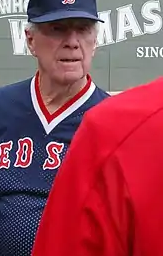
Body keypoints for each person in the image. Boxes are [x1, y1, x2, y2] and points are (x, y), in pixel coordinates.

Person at [0, 0, 109, 256]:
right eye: (57, 29)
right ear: (31, 40)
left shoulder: (114, 121)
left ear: (94, 41)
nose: (72, 42)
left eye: (83, 29)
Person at [31, 76, 163, 256]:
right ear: (31, 46)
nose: (72, 46)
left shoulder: (114, 126)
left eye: (86, 44)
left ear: (93, 48)